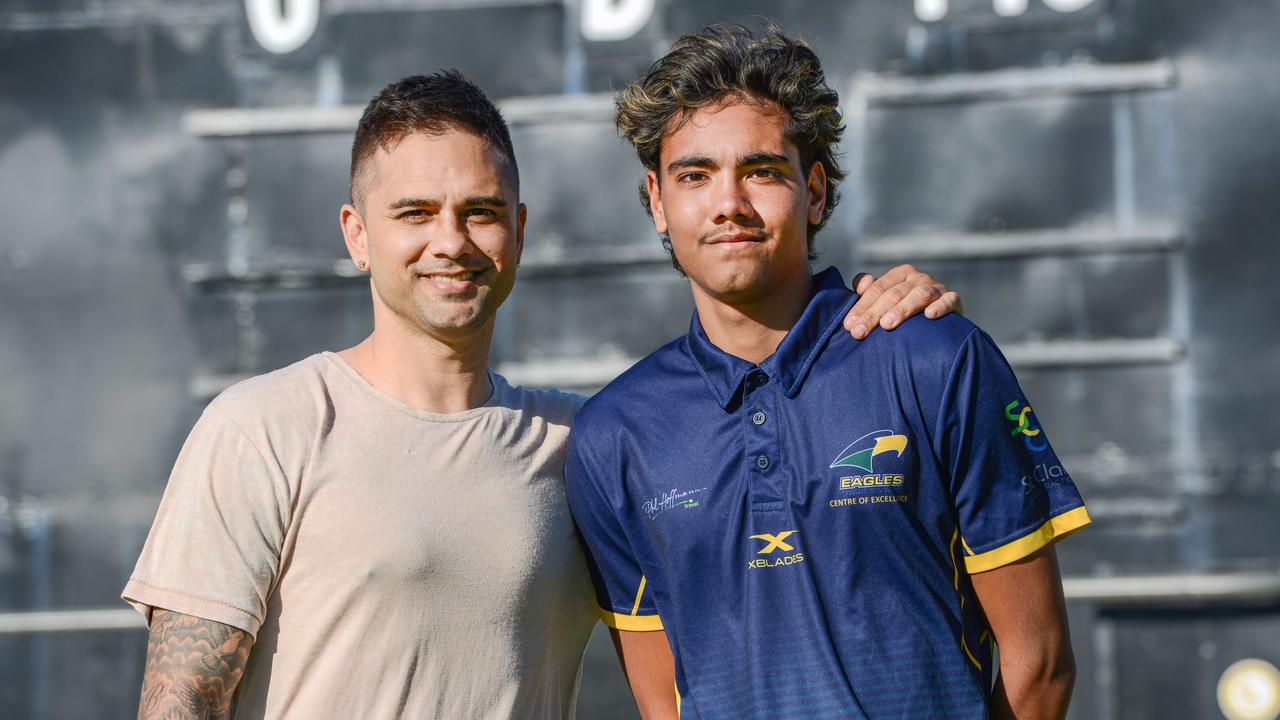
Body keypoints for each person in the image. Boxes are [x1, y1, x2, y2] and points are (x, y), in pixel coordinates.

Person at [123, 70, 960, 719]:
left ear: (518, 231)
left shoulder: (584, 444)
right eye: (414, 212)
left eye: (481, 211)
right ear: (357, 235)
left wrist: (882, 307)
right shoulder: (265, 428)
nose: (451, 242)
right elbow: (180, 703)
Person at [564, 23, 1090, 720]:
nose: (729, 203)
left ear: (813, 192)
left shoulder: (937, 360)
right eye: (695, 175)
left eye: (761, 171)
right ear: (659, 203)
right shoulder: (611, 435)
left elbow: (1041, 665)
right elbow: (666, 703)